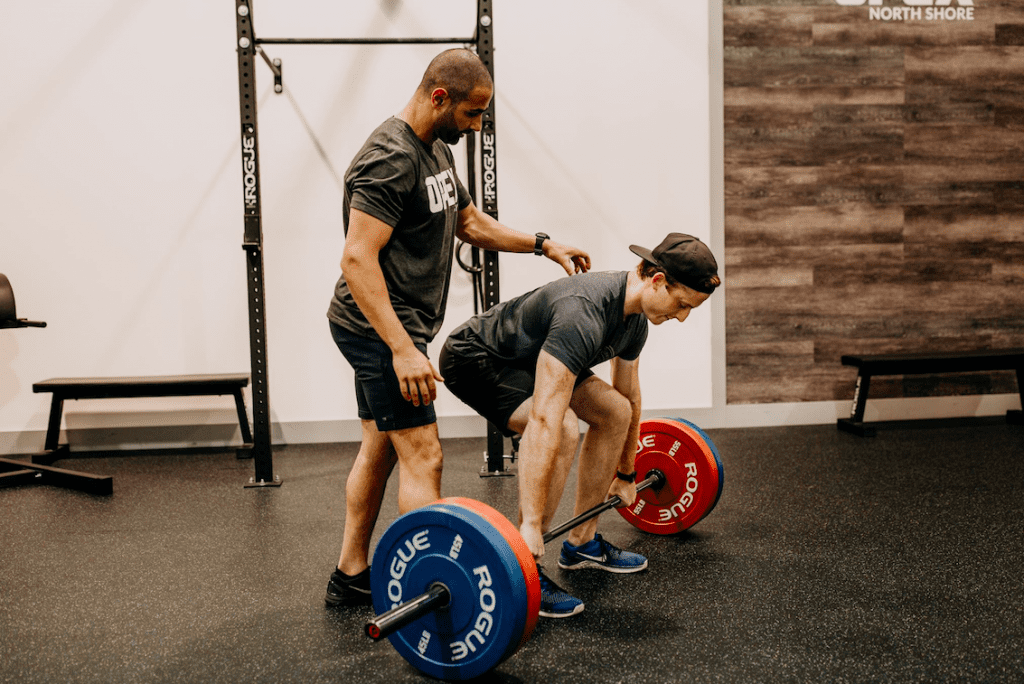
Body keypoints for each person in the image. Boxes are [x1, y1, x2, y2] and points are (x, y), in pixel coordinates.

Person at [324, 49, 591, 607]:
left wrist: (542, 244)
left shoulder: (435, 152)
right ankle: (427, 589)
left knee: (380, 444)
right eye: (472, 114)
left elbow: (469, 222)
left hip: (393, 327)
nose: (476, 127)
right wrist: (401, 349)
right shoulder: (390, 158)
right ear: (439, 97)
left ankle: (351, 574)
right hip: (378, 328)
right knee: (425, 456)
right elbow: (356, 258)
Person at [439, 233, 720, 617]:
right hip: (477, 359)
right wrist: (532, 524)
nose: (683, 316)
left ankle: (582, 544)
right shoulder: (583, 312)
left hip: (529, 355)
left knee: (615, 412)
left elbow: (630, 398)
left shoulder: (635, 321)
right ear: (657, 281)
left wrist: (626, 472)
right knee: (564, 426)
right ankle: (527, 568)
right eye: (682, 304)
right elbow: (543, 419)